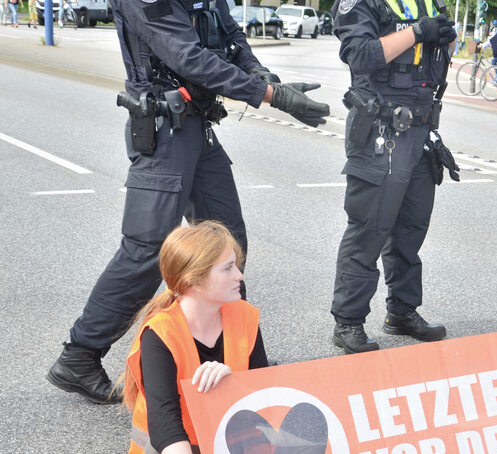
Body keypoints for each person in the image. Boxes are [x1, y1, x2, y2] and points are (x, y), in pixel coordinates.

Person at [46, 0, 328, 404]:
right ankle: (79, 355)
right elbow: (186, 56)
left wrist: (261, 73)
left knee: (227, 243)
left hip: (198, 125)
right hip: (164, 131)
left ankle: (237, 354)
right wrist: (269, 95)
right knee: (145, 251)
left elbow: (231, 35)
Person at [121, 221, 268, 454]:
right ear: (193, 280)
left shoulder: (244, 317)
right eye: (229, 268)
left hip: (236, 453)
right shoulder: (160, 335)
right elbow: (167, 429)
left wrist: (234, 380)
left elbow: (267, 394)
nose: (240, 276)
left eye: (236, 265)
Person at [330, 0, 457, 354]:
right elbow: (360, 54)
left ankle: (402, 311)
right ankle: (348, 321)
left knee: (411, 228)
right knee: (370, 228)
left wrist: (445, 39)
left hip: (420, 127)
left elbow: (436, 60)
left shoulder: (427, 2)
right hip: (381, 129)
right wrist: (417, 31)